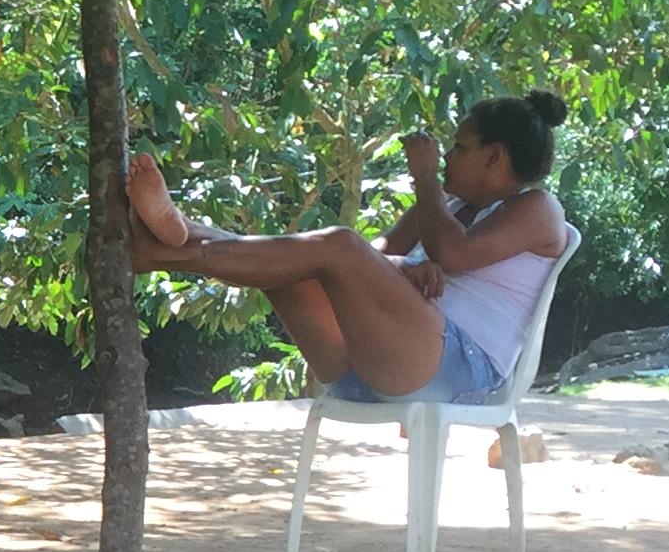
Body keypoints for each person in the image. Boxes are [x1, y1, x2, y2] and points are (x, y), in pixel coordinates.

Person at [127, 91, 574, 404]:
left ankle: (170, 251)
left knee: (338, 244)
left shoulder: (538, 207)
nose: (448, 158)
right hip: (367, 372)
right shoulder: (447, 205)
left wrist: (424, 179)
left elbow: (452, 254)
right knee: (293, 268)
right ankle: (181, 231)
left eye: (459, 147)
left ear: (494, 157)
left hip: (461, 375)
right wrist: (402, 266)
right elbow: (376, 254)